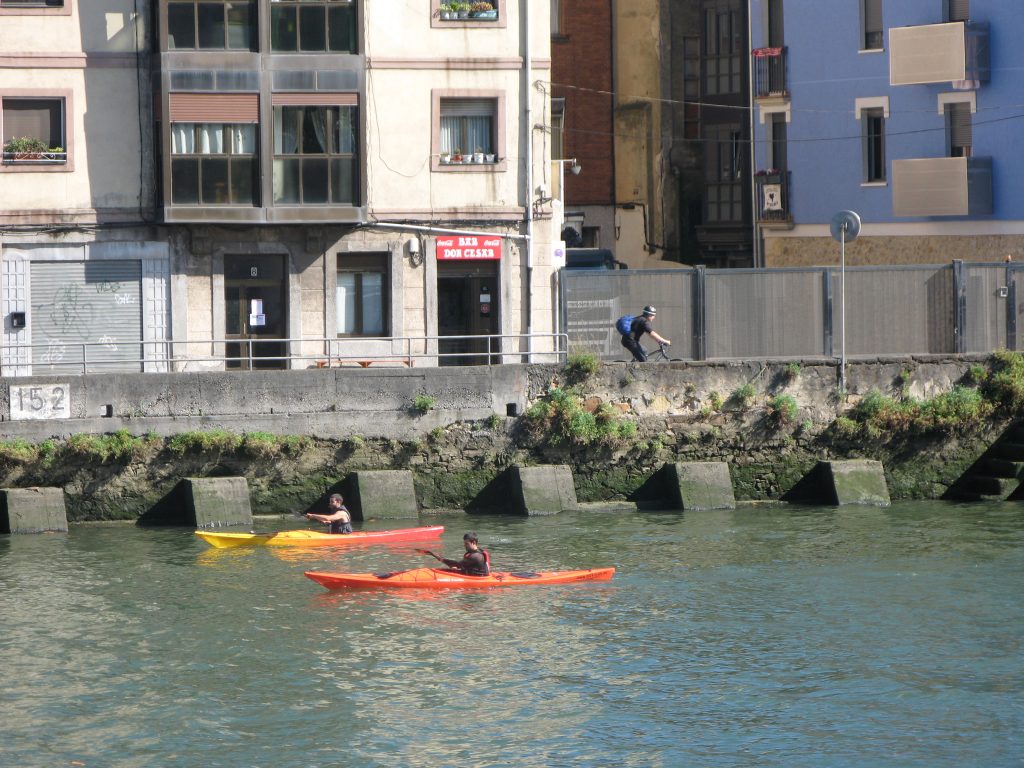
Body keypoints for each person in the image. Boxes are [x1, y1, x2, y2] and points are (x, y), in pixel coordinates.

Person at [421, 532, 490, 575]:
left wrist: (437, 557)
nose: (464, 545)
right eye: (464, 543)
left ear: (474, 543)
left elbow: (457, 564)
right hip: (471, 575)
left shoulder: (476, 556)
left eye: (466, 543)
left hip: (478, 579)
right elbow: (462, 565)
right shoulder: (474, 552)